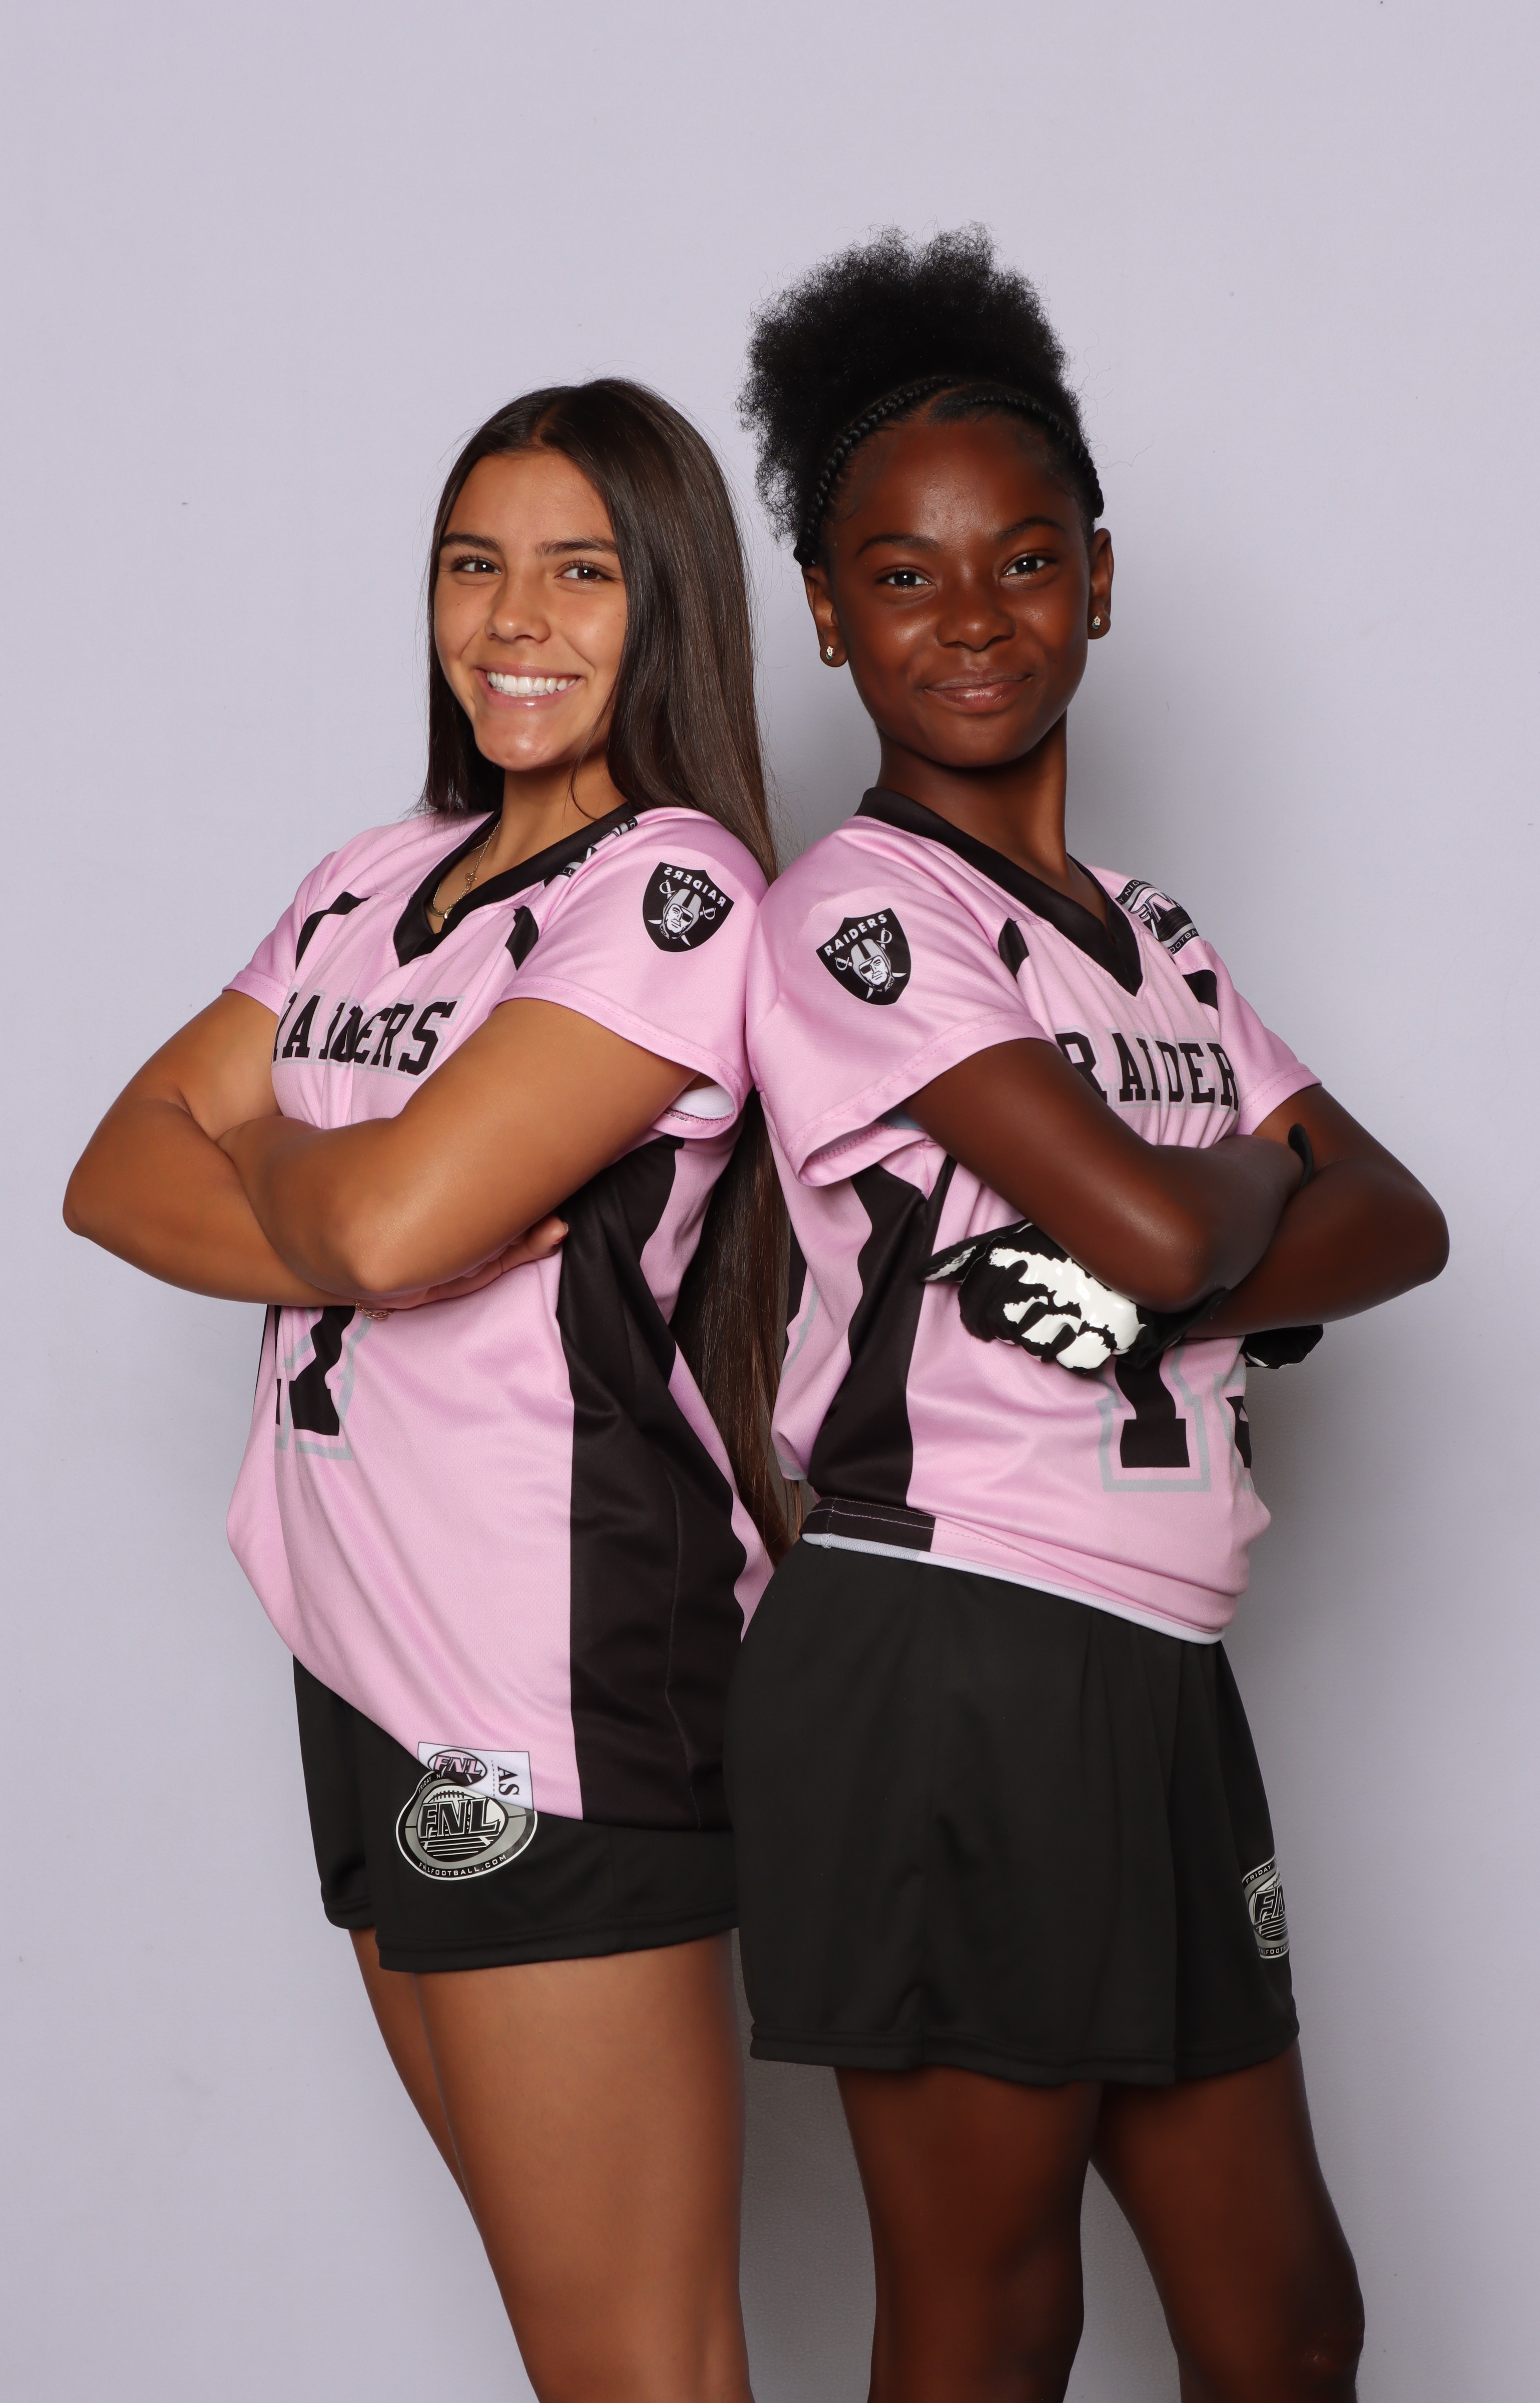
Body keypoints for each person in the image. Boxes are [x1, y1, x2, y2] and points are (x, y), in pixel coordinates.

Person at [728, 229, 1449, 2403]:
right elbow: (1154, 1224)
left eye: (1023, 560)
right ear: (829, 612)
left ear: (1099, 580)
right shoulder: (859, 914)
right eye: (905, 574)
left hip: (1150, 1658)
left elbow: (1401, 1222)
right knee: (994, 2320)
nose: (972, 616)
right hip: (950, 1643)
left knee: (1287, 2326)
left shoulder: (1150, 934)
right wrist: (1232, 1196)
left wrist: (1197, 1233)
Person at [64, 378, 790, 2403]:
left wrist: (289, 1159)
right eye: (475, 566)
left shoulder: (671, 893)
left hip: (540, 1671)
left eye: (580, 572)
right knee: (586, 2360)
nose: (513, 620)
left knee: (634, 2365)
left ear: (668, 604)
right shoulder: (370, 879)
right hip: (356, 1648)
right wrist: (357, 1190)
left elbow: (381, 1229)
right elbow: (114, 1173)